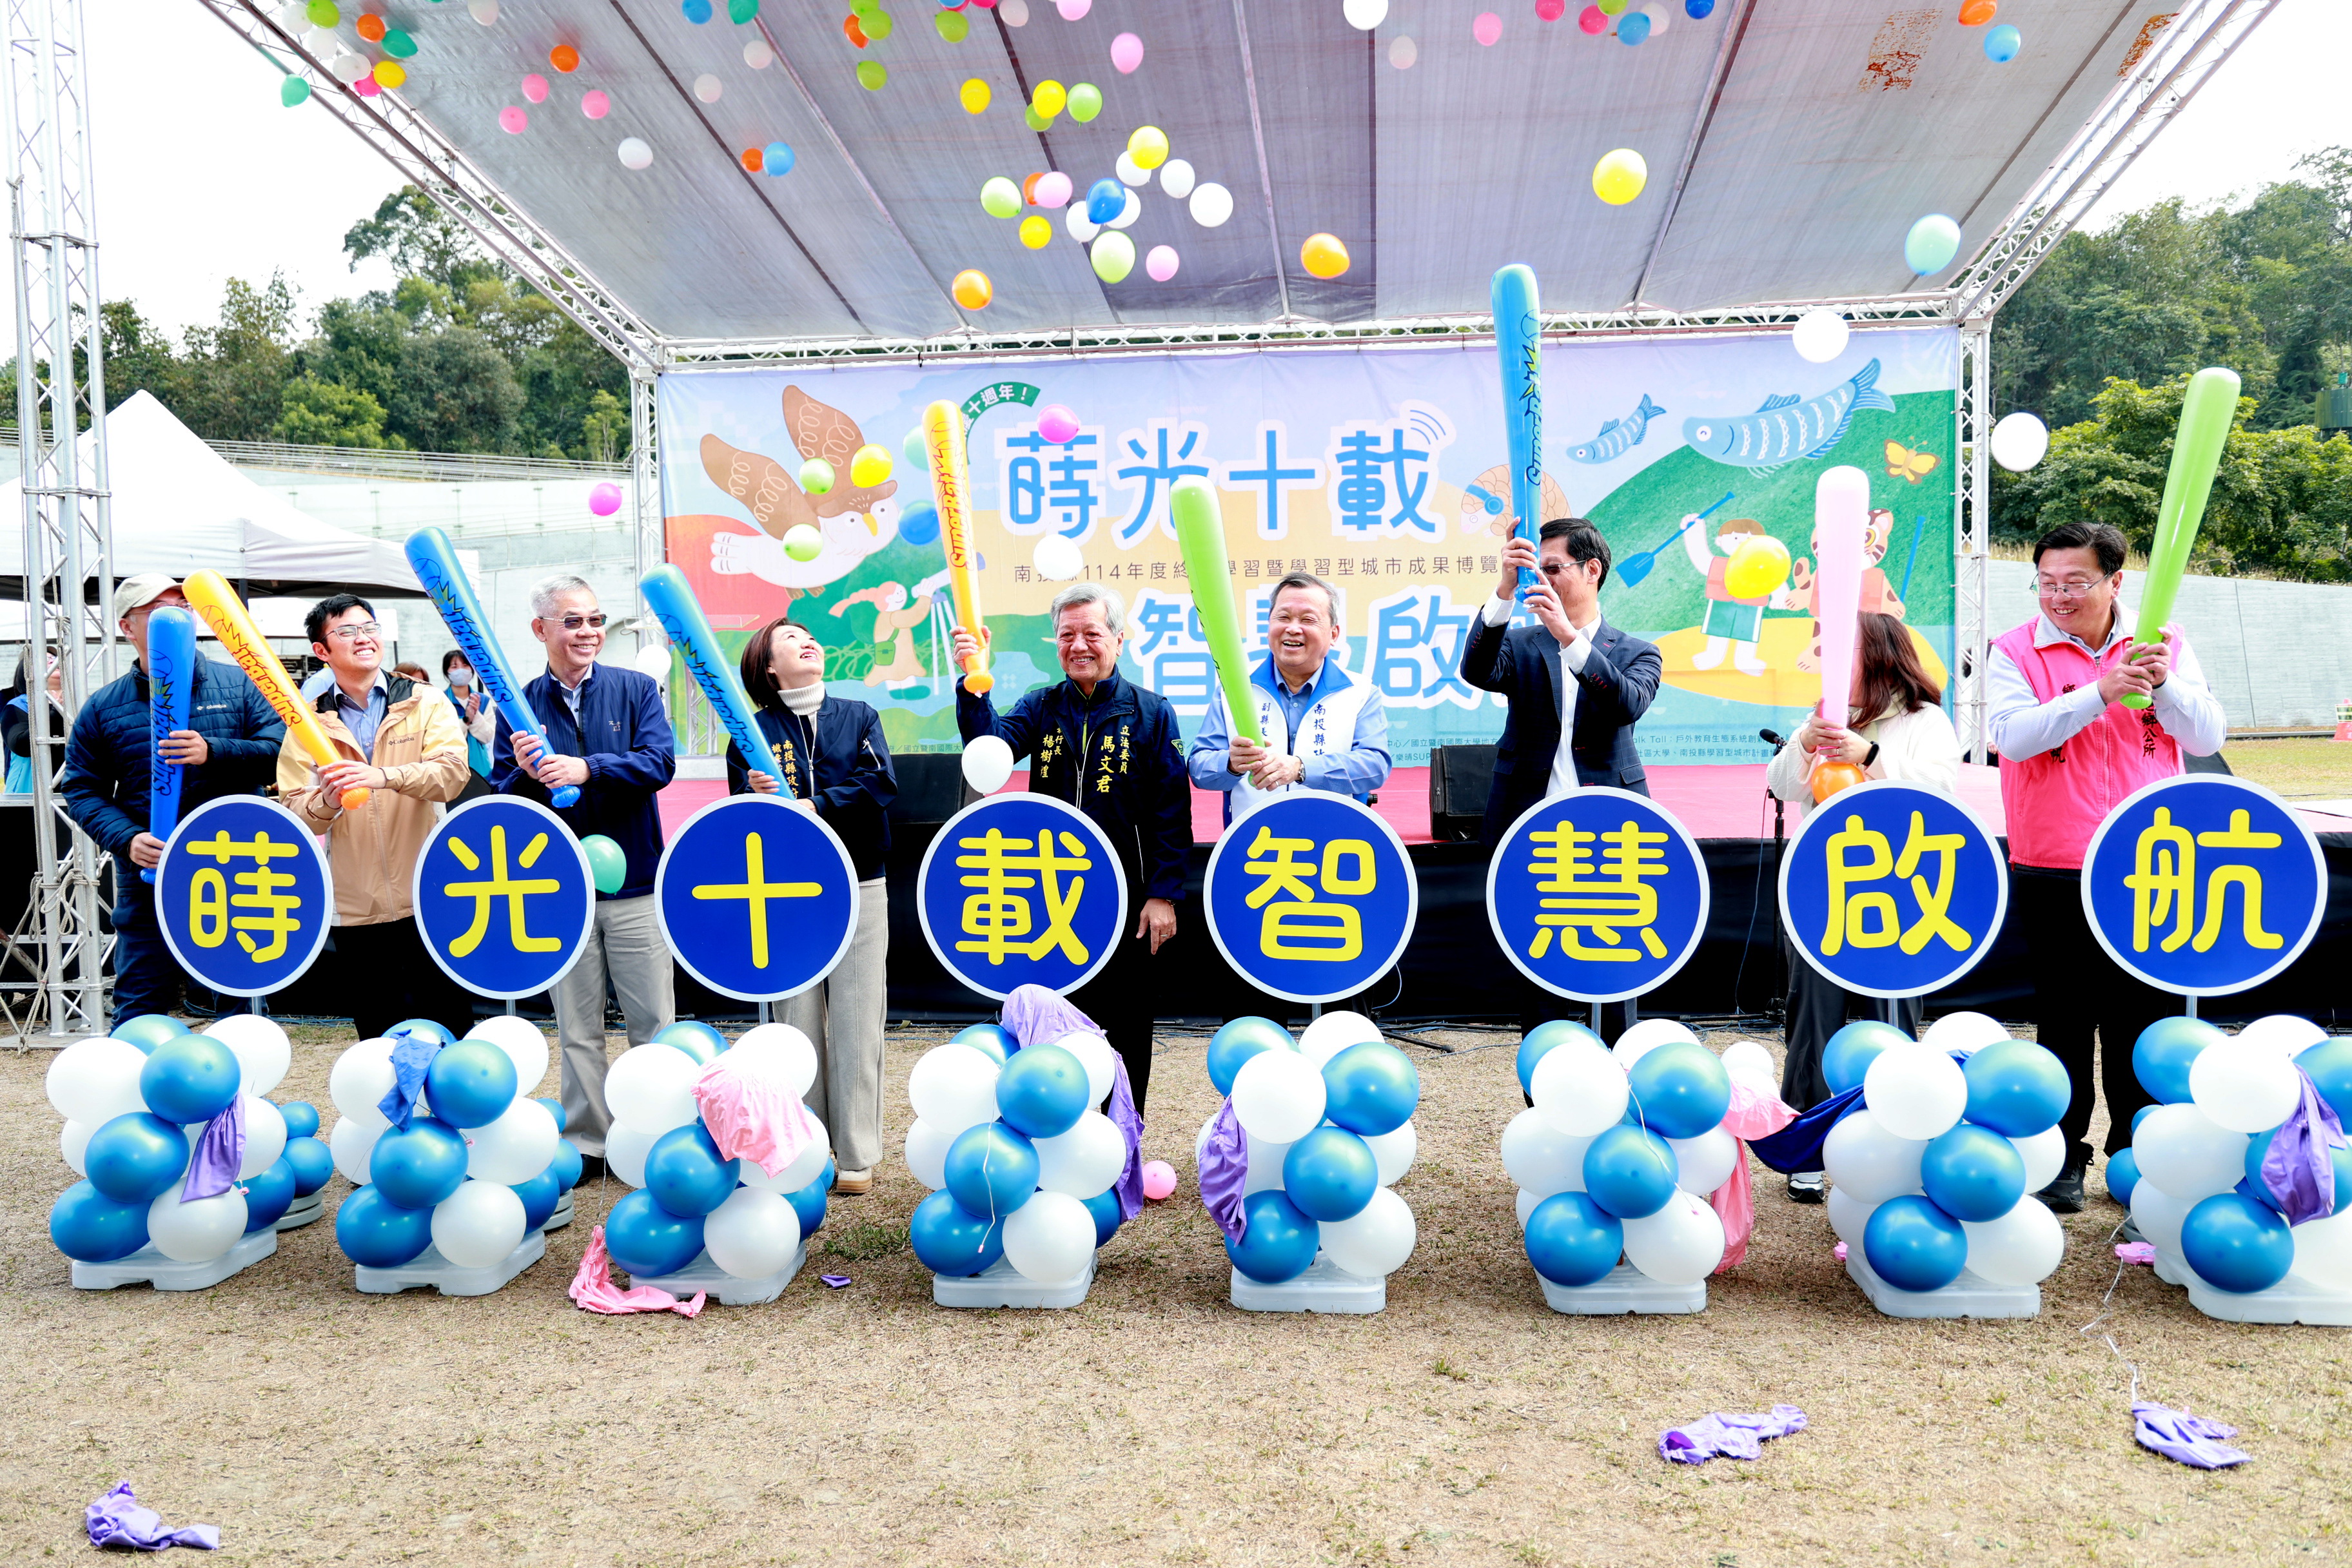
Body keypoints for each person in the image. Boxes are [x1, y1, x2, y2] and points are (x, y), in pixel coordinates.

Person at [1987, 520, 2225, 1213]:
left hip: (2148, 862)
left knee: (2141, 1016)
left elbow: (2206, 735)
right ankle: (2061, 1156)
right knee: (2064, 1015)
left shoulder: (2164, 642)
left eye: (2076, 582)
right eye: (2047, 583)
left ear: (2115, 581)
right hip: (2053, 860)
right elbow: (2010, 737)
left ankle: (2137, 1153)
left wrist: (2165, 685)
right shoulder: (2014, 649)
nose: (2058, 596)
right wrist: (2099, 691)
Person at [951, 583, 1190, 1113]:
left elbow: (1171, 811)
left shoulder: (1151, 713)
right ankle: (1056, 1128)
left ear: (1119, 640)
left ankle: (1121, 1139)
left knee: (1127, 1022)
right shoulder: (1041, 706)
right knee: (1054, 1017)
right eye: (1066, 635)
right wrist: (973, 681)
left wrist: (1163, 894)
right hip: (1050, 895)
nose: (1078, 645)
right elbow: (988, 749)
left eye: (1092, 634)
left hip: (1126, 898)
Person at [1766, 611, 1961, 1201]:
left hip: (1901, 894)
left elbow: (1939, 791)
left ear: (1878, 657)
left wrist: (1869, 753)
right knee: (1811, 1017)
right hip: (1825, 888)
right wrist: (1805, 743)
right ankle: (1807, 1147)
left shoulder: (1925, 720)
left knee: (1892, 1015)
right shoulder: (1825, 716)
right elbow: (1783, 787)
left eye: (1841, 654)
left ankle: (1898, 1141)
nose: (1827, 665)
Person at [492, 573, 678, 1171]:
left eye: (595, 620)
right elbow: (502, 792)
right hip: (561, 890)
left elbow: (659, 763)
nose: (589, 632)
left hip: (636, 882)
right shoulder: (517, 703)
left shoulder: (636, 689)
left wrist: (588, 769)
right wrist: (525, 774)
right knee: (577, 1027)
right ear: (540, 629)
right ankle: (589, 1142)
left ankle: (662, 1132)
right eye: (572, 621)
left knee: (653, 1021)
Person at [1460, 518, 1663, 1044]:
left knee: (1616, 947)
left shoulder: (1636, 651)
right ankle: (1546, 1068)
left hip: (1613, 826)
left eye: (1552, 569)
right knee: (1540, 950)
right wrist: (1504, 590)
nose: (1541, 581)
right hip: (1532, 823)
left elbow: (1625, 704)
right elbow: (1476, 671)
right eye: (1535, 570)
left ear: (1592, 570)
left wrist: (1569, 639)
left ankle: (1620, 1064)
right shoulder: (1522, 643)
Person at [61, 574, 285, 1027]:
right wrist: (128, 839)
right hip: (151, 868)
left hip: (234, 861)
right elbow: (81, 788)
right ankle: (133, 1066)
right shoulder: (104, 707)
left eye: (182, 607)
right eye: (159, 610)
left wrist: (214, 751)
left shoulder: (238, 684)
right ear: (128, 627)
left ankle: (242, 1070)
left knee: (237, 986)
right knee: (140, 995)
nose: (176, 616)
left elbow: (281, 756)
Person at [725, 616, 897, 1194]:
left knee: (857, 1017)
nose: (808, 641)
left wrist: (816, 805)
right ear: (769, 667)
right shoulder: (751, 732)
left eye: (810, 636)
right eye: (791, 639)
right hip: (783, 892)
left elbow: (881, 783)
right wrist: (758, 797)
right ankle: (804, 1150)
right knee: (793, 1023)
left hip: (860, 880)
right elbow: (738, 812)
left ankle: (856, 1153)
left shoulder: (859, 715)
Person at [277, 594, 476, 1041]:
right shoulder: (307, 722)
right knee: (379, 1039)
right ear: (322, 650)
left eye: (370, 628)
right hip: (356, 909)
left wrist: (384, 776)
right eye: (347, 631)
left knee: (450, 1030)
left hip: (429, 895)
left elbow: (451, 775)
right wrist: (326, 802)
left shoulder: (424, 701)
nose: (363, 638)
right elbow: (293, 810)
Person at [1187, 571, 1391, 826]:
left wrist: (1300, 768)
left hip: (1335, 841)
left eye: (1308, 619)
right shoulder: (1234, 689)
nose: (1293, 629)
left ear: (1334, 634)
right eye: (1283, 617)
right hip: (1254, 840)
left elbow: (1374, 766)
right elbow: (1199, 768)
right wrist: (1230, 763)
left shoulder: (1360, 692)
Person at [441, 648, 497, 779]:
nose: (461, 670)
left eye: (465, 665)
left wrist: (475, 715)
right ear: (447, 672)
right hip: (451, 771)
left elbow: (487, 737)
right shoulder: (441, 700)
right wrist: (466, 720)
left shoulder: (483, 701)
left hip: (481, 770)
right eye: (454, 667)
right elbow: (445, 737)